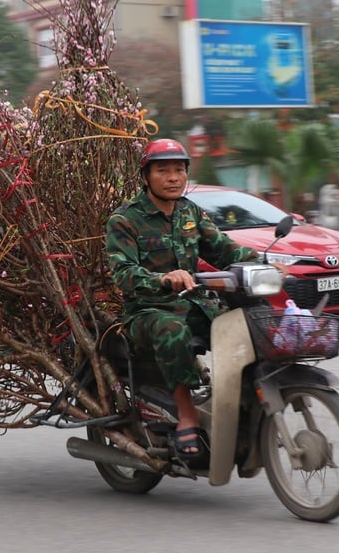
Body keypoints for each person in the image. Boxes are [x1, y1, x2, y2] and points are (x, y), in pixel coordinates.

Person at [105, 138, 263, 467]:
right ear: (146, 176)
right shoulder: (125, 219)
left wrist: (262, 262)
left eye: (179, 170)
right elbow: (123, 274)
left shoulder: (190, 211)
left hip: (195, 302)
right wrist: (162, 278)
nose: (174, 177)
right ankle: (187, 416)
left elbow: (223, 249)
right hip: (148, 311)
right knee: (172, 330)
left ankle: (242, 401)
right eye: (163, 170)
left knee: (246, 325)